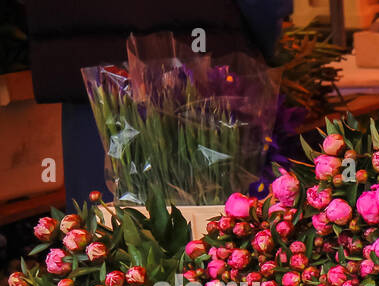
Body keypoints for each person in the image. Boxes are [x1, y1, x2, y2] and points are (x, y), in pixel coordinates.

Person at [23, 0, 289, 202]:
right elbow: (264, 8)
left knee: (102, 233)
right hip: (207, 74)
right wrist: (261, 44)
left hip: (88, 69)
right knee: (214, 236)